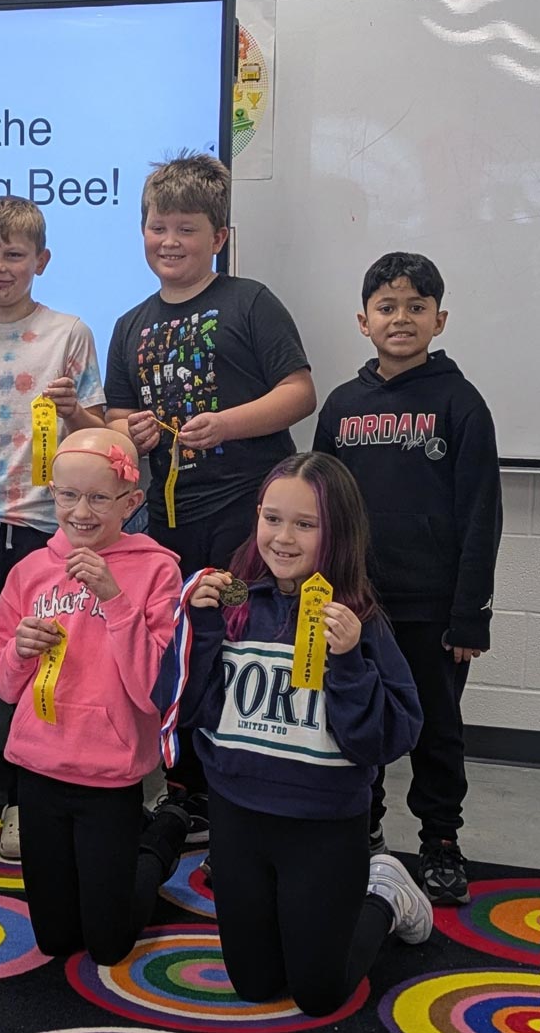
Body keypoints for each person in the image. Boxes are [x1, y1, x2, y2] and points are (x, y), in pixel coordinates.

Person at [155, 453, 430, 1017]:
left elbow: (389, 739)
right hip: (238, 819)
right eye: (271, 518)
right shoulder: (232, 602)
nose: (283, 538)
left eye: (305, 524)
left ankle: (385, 893)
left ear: (339, 533)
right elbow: (182, 709)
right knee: (253, 985)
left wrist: (350, 662)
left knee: (319, 995)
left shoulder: (358, 618)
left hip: (324, 828)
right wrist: (199, 630)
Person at [106, 151, 316, 840]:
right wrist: (129, 430)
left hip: (243, 513)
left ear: (219, 236)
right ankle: (188, 788)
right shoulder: (130, 322)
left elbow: (298, 392)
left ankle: (246, 781)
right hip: (166, 521)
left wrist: (224, 423)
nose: (169, 241)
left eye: (187, 229)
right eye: (157, 226)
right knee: (180, 648)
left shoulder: (250, 301)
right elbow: (115, 414)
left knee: (242, 643)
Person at [313, 251, 501, 904]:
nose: (401, 317)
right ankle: (359, 824)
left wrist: (469, 614)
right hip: (357, 606)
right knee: (353, 717)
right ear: (363, 321)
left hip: (432, 610)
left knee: (435, 727)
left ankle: (440, 840)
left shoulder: (461, 402)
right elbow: (320, 509)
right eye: (387, 307)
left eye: (416, 307)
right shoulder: (341, 405)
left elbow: (483, 514)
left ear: (439, 319)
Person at [0, 194, 105, 857]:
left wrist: (76, 412)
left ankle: (31, 800)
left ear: (41, 260)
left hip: (48, 534)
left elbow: (101, 434)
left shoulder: (71, 333)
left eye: (13, 254)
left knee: (47, 666)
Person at [0, 427, 187, 963]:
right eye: (68, 495)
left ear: (131, 502)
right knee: (54, 940)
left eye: (99, 497)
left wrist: (115, 599)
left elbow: (155, 692)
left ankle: (162, 838)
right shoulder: (29, 571)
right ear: (52, 495)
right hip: (39, 770)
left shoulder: (158, 569)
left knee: (107, 947)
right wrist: (18, 652)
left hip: (111, 777)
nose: (81, 511)